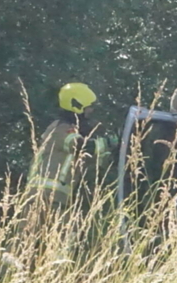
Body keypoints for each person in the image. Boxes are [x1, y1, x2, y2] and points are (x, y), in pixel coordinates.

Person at [25, 83, 112, 214]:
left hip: (55, 201)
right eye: (88, 107)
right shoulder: (60, 128)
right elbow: (81, 146)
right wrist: (109, 142)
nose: (91, 111)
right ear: (77, 106)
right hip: (43, 200)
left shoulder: (66, 128)